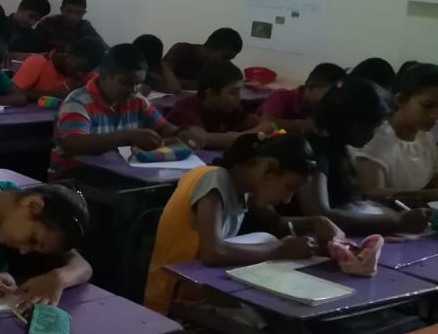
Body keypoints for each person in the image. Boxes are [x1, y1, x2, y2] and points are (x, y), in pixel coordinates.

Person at [144, 132, 342, 315]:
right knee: (267, 304)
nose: (287, 199)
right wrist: (280, 249)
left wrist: (315, 222)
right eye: (289, 187)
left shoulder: (243, 191)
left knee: (266, 244)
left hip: (200, 286)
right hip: (174, 298)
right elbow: (213, 252)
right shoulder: (213, 178)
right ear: (268, 167)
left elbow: (276, 223)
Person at [290, 77, 430, 235]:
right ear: (350, 122)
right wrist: (397, 222)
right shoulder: (314, 152)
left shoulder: (338, 148)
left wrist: (387, 204)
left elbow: (347, 201)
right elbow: (319, 214)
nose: (373, 133)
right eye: (372, 127)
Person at [49, 44, 202, 177]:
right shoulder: (78, 102)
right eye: (126, 83)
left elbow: (162, 128)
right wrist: (126, 137)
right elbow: (73, 143)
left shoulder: (137, 101)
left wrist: (179, 133)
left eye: (138, 83)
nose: (133, 90)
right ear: (105, 74)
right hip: (74, 177)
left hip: (119, 173)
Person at [355, 64, 438, 203]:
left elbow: (430, 180)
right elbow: (372, 193)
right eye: (427, 105)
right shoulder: (374, 137)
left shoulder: (425, 137)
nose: (435, 115)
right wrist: (431, 195)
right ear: (401, 100)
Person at [165, 60, 261, 149]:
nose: (238, 98)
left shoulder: (227, 108)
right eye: (232, 93)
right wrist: (258, 132)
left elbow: (258, 122)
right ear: (211, 94)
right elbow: (203, 139)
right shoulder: (186, 109)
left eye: (239, 91)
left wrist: (266, 125)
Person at [258, 62, 345, 133]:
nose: (334, 100)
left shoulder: (320, 109)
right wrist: (306, 125)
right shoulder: (281, 97)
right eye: (329, 95)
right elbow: (266, 124)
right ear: (311, 88)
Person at [12, 37, 105, 101]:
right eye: (79, 68)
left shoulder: (85, 74)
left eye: (86, 71)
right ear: (69, 54)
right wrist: (60, 95)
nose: (81, 74)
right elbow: (12, 93)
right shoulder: (37, 63)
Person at [164, 28, 243, 89]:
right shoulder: (181, 50)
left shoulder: (218, 63)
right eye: (224, 57)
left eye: (230, 59)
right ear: (211, 49)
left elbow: (236, 81)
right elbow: (166, 83)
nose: (227, 62)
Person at [34, 0, 104, 53]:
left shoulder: (86, 28)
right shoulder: (47, 24)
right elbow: (34, 52)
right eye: (69, 11)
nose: (74, 17)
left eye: (79, 12)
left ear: (84, 12)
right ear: (61, 10)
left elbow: (104, 50)